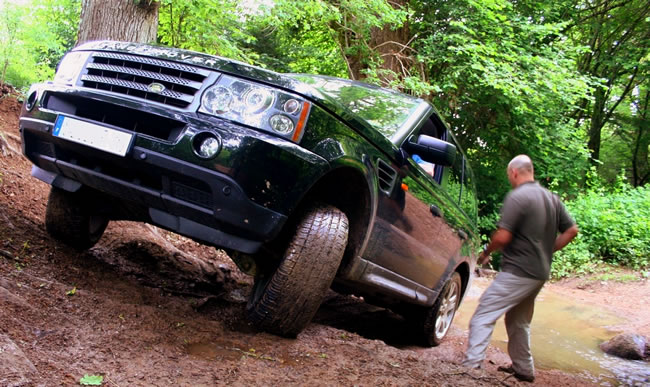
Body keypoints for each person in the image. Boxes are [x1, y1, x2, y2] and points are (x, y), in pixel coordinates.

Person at [462, 155, 579, 382]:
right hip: (539, 273)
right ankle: (524, 370)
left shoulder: (518, 197)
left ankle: (471, 368)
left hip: (518, 271)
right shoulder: (552, 198)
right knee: (518, 321)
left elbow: (504, 235)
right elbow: (572, 230)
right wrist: (548, 250)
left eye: (509, 175)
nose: (509, 179)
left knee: (483, 315)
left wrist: (486, 251)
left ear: (514, 172)